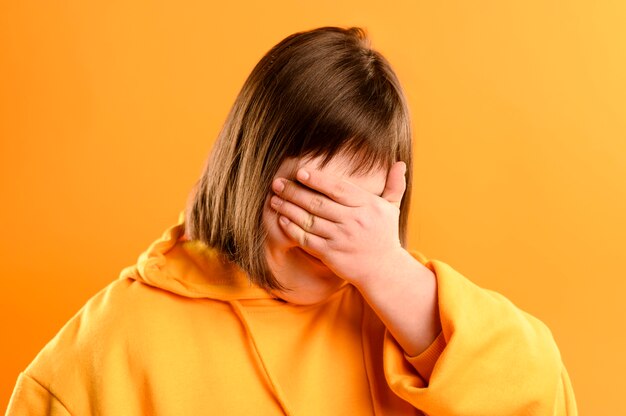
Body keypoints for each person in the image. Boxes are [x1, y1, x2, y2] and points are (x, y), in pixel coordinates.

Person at [6, 26, 577, 415]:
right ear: (248, 168)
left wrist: (390, 272)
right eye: (313, 201)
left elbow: (543, 396)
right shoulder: (112, 345)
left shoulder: (407, 313)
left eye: (364, 213)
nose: (336, 241)